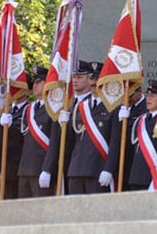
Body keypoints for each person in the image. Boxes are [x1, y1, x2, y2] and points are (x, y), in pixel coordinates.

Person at [40, 60, 114, 194]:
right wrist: (62, 125)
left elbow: (115, 143)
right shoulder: (75, 107)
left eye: (95, 79)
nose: (93, 83)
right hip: (75, 168)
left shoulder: (112, 108)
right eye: (92, 78)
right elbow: (65, 140)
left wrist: (109, 168)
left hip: (97, 167)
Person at [128, 79, 157, 190]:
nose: (148, 98)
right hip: (136, 176)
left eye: (153, 95)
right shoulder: (141, 120)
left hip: (156, 177)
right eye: (148, 95)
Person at [0, 72, 29, 199]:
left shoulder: (29, 111)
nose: (13, 90)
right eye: (12, 86)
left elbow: (23, 138)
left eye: (18, 86)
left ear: (28, 91)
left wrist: (10, 127)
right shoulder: (5, 111)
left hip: (15, 169)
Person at [17, 66, 52, 198]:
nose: (35, 86)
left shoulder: (53, 108)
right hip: (25, 168)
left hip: (40, 167)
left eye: (39, 82)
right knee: (24, 214)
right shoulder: (29, 109)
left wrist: (47, 169)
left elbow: (54, 143)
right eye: (34, 83)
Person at [105, 85, 146, 191]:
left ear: (139, 91)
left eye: (130, 95)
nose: (126, 98)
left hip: (139, 164)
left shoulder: (147, 108)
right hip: (121, 165)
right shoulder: (121, 108)